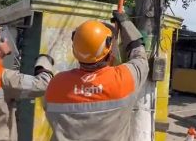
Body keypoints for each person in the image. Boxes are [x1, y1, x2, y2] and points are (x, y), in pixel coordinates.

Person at [44, 11, 149, 141]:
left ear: (75, 50)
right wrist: (125, 22)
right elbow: (140, 56)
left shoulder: (56, 85)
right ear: (109, 52)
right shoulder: (123, 79)